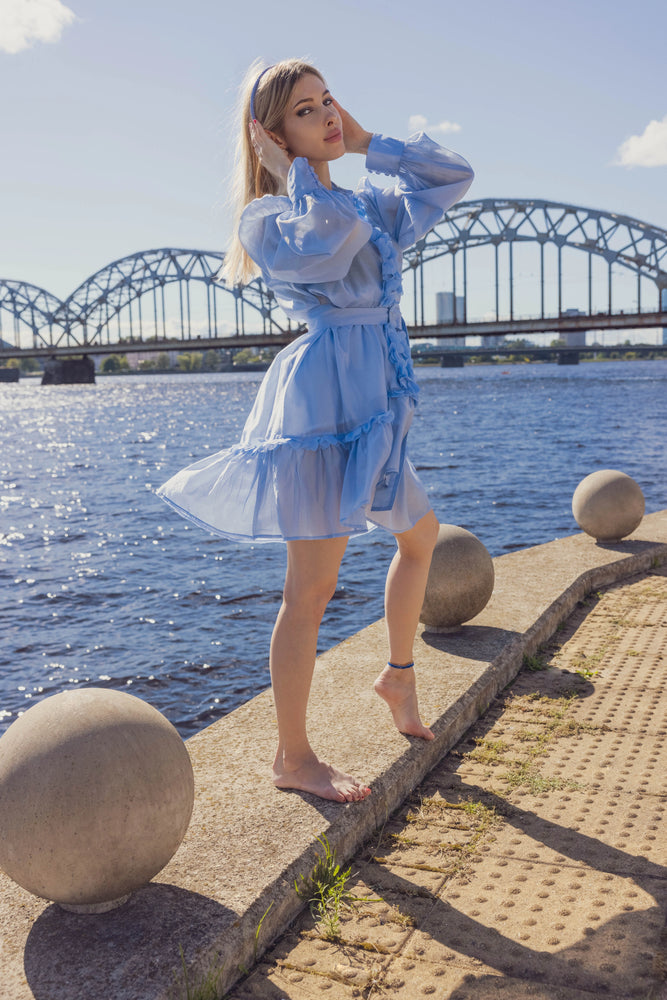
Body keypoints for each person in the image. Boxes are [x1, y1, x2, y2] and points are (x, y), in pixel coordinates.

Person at [157, 59, 474, 803]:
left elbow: (452, 175)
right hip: (327, 404)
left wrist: (370, 143)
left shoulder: (363, 196)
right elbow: (327, 243)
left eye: (328, 99)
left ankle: (396, 679)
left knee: (419, 536)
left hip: (379, 400)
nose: (328, 114)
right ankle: (292, 757)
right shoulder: (272, 220)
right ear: (270, 136)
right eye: (307, 111)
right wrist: (294, 175)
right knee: (312, 588)